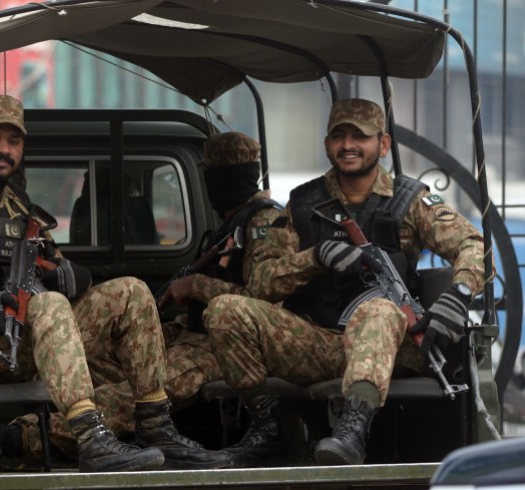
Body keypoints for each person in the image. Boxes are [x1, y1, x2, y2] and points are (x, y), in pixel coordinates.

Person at [0, 94, 227, 472]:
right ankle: (91, 438)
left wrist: (68, 274)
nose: (3, 149)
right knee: (48, 305)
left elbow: (59, 267)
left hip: (34, 332)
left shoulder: (19, 206)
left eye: (13, 141)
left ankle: (156, 424)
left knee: (131, 291)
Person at [204, 98, 486, 466]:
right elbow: (260, 283)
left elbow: (473, 244)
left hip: (390, 344)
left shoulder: (410, 200)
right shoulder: (303, 203)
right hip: (318, 340)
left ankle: (354, 429)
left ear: (382, 145)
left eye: (360, 136)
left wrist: (458, 293)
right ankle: (270, 427)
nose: (348, 145)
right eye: (339, 136)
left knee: (379, 311)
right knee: (225, 310)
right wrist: (316, 257)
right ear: (327, 145)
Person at [0, 132, 291, 468]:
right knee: (93, 350)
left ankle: (23, 437)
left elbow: (267, 302)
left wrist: (197, 286)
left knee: (133, 393)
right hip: (190, 331)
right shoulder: (225, 227)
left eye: (218, 172)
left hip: (225, 349)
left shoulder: (264, 223)